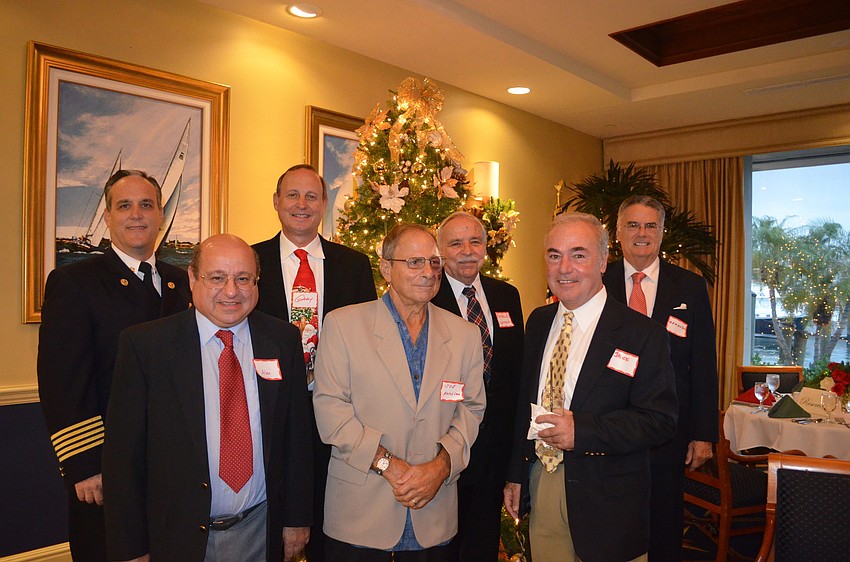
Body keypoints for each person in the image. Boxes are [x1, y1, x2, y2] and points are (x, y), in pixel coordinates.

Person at [102, 234, 313, 562]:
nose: (231, 291)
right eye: (217, 278)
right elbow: (122, 459)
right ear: (192, 278)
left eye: (243, 279)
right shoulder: (146, 347)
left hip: (261, 528)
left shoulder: (282, 340)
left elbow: (297, 438)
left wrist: (297, 519)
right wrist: (131, 548)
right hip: (176, 537)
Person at [504, 213, 677, 562]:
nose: (564, 267)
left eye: (578, 254)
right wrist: (516, 474)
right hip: (543, 481)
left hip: (609, 495)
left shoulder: (641, 334)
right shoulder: (538, 322)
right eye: (554, 255)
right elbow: (525, 400)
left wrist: (581, 431)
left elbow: (660, 420)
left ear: (602, 261)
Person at [37, 169, 191, 561]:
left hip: (177, 467)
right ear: (107, 216)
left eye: (147, 205)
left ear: (160, 215)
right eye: (124, 205)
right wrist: (85, 463)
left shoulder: (184, 283)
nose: (136, 214)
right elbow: (62, 382)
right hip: (110, 468)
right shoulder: (75, 282)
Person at [312, 224, 486, 561]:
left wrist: (440, 467)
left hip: (433, 514)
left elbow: (472, 408)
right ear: (386, 268)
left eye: (434, 263)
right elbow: (331, 410)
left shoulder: (464, 335)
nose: (427, 273)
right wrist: (388, 465)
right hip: (360, 517)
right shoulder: (344, 325)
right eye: (415, 262)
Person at [253, 163, 377, 561]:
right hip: (268, 414)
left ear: (324, 203)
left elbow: (369, 342)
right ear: (276, 202)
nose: (301, 204)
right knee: (273, 528)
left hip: (338, 415)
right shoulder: (251, 262)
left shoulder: (353, 266)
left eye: (311, 196)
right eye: (292, 195)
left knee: (331, 529)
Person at [603, 195, 718, 561]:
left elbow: (703, 364)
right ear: (617, 232)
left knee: (664, 527)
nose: (642, 233)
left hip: (669, 432)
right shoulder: (595, 281)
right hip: (607, 429)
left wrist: (702, 434)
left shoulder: (689, 286)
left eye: (650, 225)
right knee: (611, 528)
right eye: (633, 225)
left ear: (662, 232)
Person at [432, 211, 524, 562]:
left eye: (475, 241)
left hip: (495, 449)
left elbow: (515, 373)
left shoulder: (506, 296)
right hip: (445, 444)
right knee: (443, 546)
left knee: (483, 543)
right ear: (441, 250)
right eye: (456, 243)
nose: (467, 251)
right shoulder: (429, 297)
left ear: (487, 247)